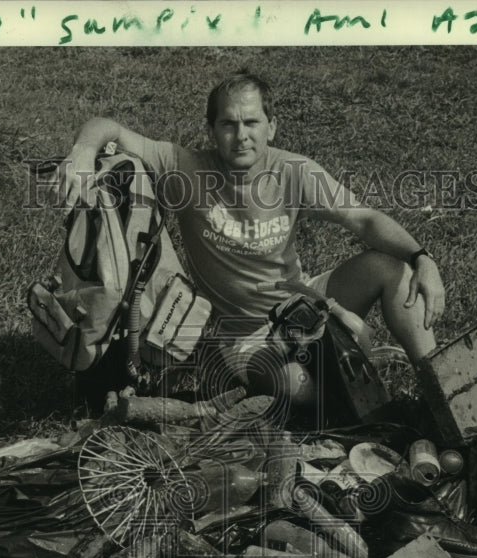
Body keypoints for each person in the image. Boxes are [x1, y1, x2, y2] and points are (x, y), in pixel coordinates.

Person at [52, 71, 445, 386]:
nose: (241, 136)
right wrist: (84, 151)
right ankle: (337, 377)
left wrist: (421, 256)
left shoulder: (294, 171)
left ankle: (440, 389)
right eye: (229, 124)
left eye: (252, 122)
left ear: (271, 127)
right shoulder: (186, 169)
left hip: (300, 301)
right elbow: (108, 127)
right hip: (238, 336)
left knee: (392, 271)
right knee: (299, 384)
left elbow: (364, 218)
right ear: (211, 130)